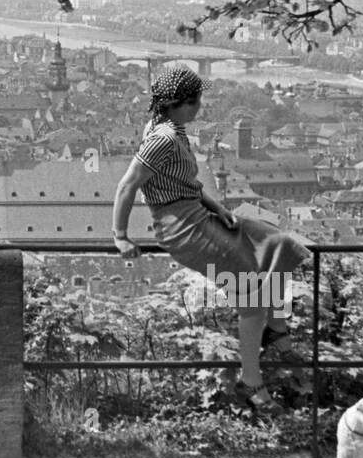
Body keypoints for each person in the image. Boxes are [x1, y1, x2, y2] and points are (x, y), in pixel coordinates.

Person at [111, 64, 309, 414]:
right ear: (181, 102)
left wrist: (220, 208)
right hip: (183, 228)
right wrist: (120, 236)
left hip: (200, 214)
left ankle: (277, 329)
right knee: (252, 291)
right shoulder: (163, 138)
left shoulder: (172, 130)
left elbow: (189, 184)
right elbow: (128, 185)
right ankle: (251, 382)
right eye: (197, 100)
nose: (200, 106)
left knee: (277, 243)